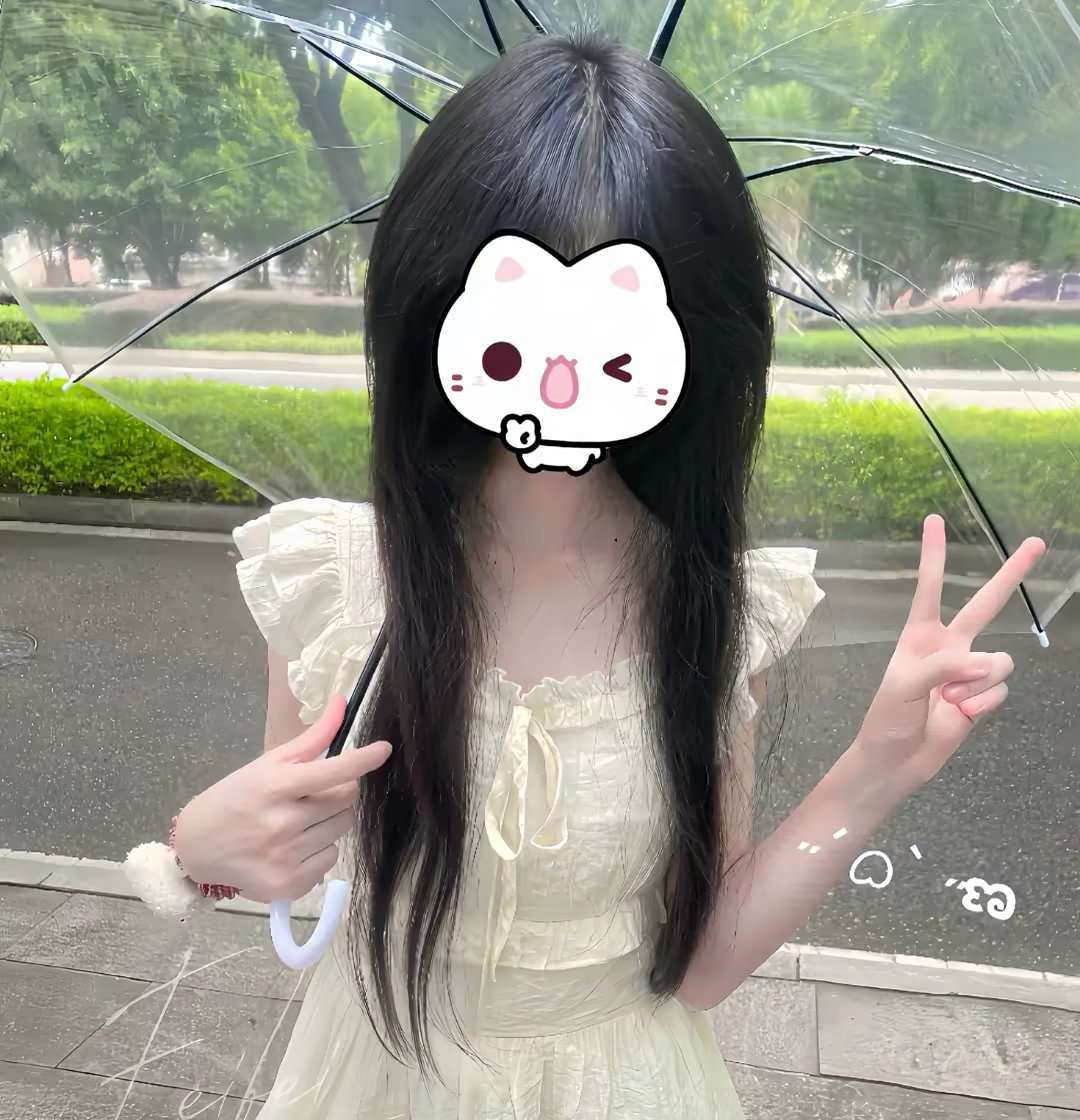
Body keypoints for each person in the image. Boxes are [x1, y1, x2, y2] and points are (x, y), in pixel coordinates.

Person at [126, 29, 1045, 1120]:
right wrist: (198, 851)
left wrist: (874, 769)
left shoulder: (712, 605)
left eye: (610, 340)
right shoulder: (335, 579)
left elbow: (699, 967)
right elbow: (293, 862)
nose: (561, 375)